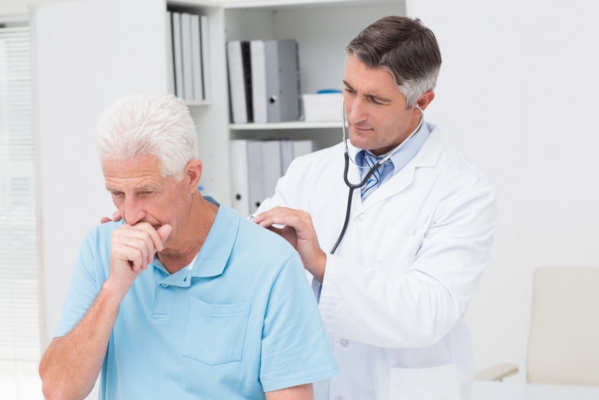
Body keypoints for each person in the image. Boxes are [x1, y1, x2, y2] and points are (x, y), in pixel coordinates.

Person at [252, 16, 497, 400]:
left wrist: (320, 264)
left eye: (376, 100)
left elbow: (428, 312)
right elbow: (253, 255)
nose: (354, 113)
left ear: (422, 102)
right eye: (349, 90)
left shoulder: (463, 191)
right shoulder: (309, 171)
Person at [38, 94, 339, 400]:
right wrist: (113, 290)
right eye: (117, 193)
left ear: (191, 176)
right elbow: (59, 390)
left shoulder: (271, 262)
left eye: (145, 191)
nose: (129, 214)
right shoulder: (101, 247)